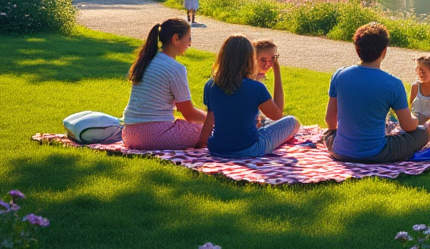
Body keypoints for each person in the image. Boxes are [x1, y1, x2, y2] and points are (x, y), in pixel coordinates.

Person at [323, 23, 429, 163]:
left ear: (357, 50)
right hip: (376, 153)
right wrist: (416, 119)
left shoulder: (339, 75)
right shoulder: (393, 84)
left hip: (340, 151)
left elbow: (330, 122)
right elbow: (408, 126)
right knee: (425, 132)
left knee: (328, 134)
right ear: (384, 51)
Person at [197, 35, 300, 158]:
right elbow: (277, 115)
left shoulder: (211, 85)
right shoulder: (255, 87)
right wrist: (277, 71)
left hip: (218, 149)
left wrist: (200, 144)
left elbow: (210, 120)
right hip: (249, 149)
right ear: (250, 59)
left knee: (261, 123)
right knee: (292, 122)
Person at [121, 19, 207, 149]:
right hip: (152, 136)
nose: (190, 44)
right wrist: (216, 119)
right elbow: (189, 113)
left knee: (190, 124)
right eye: (189, 39)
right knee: (206, 130)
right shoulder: (175, 68)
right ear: (176, 38)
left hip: (129, 134)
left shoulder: (146, 61)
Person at [253, 40, 283, 127]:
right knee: (292, 121)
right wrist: (277, 71)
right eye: (263, 60)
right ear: (253, 58)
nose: (269, 64)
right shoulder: (254, 84)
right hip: (251, 133)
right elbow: (278, 113)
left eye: (273, 59)